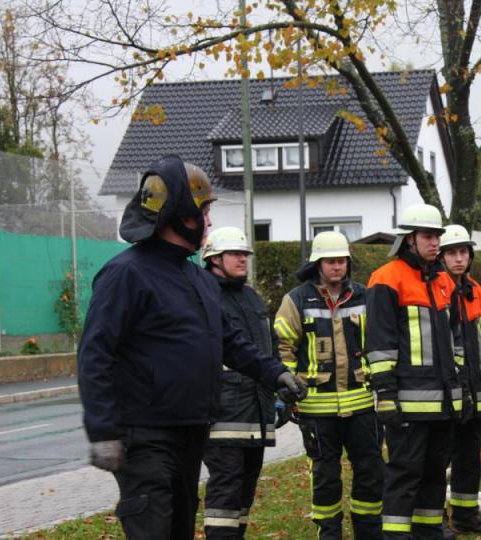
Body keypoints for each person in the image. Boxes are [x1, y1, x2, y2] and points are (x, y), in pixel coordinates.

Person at [77, 155, 308, 540]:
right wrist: (102, 431)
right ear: (183, 216)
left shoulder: (198, 279)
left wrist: (276, 373)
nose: (210, 222)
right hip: (144, 436)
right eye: (205, 211)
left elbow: (231, 341)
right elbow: (94, 354)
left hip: (191, 433)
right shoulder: (125, 274)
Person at [274, 231, 384, 539]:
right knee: (325, 477)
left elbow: (380, 343)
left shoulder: (364, 296)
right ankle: (329, 533)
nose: (337, 267)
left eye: (341, 261)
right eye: (330, 261)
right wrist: (288, 386)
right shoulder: (296, 300)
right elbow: (284, 347)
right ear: (317, 264)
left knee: (371, 472)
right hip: (315, 410)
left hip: (362, 406)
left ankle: (369, 532)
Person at [365, 203, 465, 540]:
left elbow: (455, 340)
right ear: (409, 239)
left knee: (436, 472)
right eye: (428, 235)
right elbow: (379, 345)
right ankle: (395, 534)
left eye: (437, 235)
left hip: (443, 403)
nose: (435, 242)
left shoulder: (442, 281)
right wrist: (386, 396)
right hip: (406, 401)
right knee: (404, 472)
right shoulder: (386, 279)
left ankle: (428, 530)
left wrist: (460, 390)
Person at [200, 226, 287, 539]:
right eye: (235, 254)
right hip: (224, 415)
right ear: (214, 258)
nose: (243, 259)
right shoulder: (205, 295)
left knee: (245, 493)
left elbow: (269, 347)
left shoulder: (251, 297)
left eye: (245, 254)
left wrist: (281, 389)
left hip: (257, 414)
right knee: (226, 491)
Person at [438, 225, 481, 535]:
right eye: (452, 253)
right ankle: (433, 518)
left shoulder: (475, 290)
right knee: (438, 457)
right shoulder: (435, 289)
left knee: (468, 456)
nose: (459, 258)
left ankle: (466, 515)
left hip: (475, 388)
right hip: (446, 389)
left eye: (463, 252)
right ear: (442, 257)